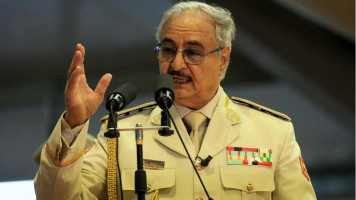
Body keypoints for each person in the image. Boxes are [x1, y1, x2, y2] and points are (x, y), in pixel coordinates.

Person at [34, 1, 317, 200]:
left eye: (193, 52)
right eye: (168, 50)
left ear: (223, 58)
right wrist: (74, 122)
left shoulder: (272, 133)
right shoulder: (119, 135)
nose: (177, 64)